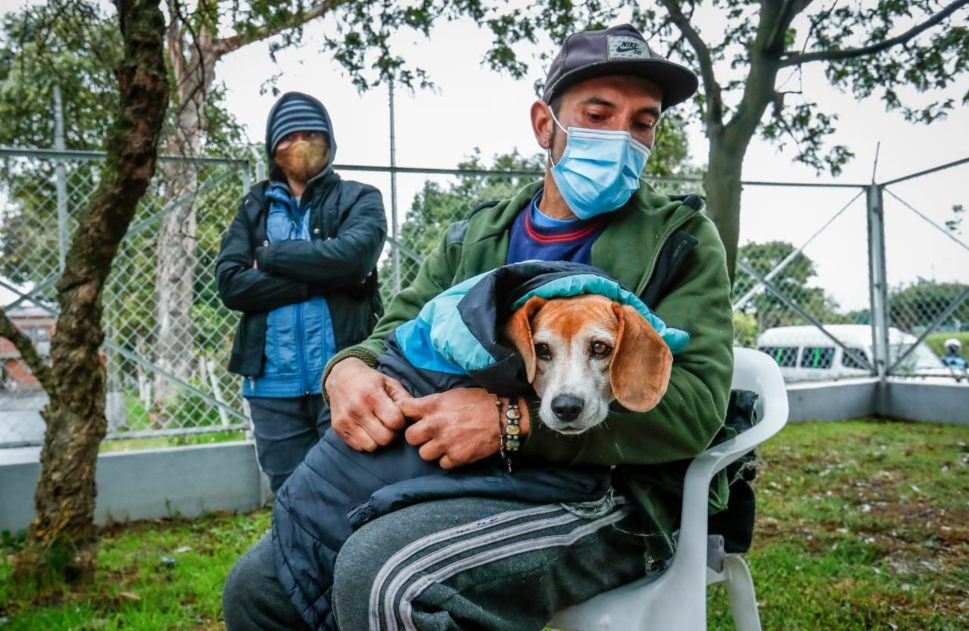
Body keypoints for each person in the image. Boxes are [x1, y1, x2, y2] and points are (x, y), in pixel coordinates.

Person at [223, 24, 734, 631]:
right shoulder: (476, 235)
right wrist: (348, 368)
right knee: (255, 588)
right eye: (598, 115)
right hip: (458, 473)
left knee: (388, 576)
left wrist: (511, 424)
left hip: (613, 496)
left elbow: (700, 403)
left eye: (643, 122)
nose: (623, 137)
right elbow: (394, 329)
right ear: (545, 125)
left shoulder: (680, 241)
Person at [216, 91, 386, 493]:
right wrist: (322, 274)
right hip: (272, 387)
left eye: (311, 134)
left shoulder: (359, 197)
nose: (301, 144)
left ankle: (357, 560)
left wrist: (269, 257)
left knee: (356, 492)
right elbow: (232, 284)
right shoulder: (253, 207)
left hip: (347, 377)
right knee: (290, 498)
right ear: (273, 148)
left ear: (329, 140)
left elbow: (353, 259)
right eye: (289, 137)